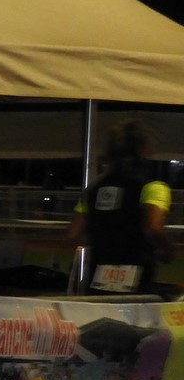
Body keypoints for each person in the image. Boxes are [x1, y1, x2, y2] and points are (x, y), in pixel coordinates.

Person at [65, 120, 174, 295]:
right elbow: (153, 227)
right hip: (137, 275)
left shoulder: (93, 190)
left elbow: (72, 234)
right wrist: (167, 249)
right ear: (143, 149)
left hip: (97, 275)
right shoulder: (153, 187)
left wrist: (104, 238)